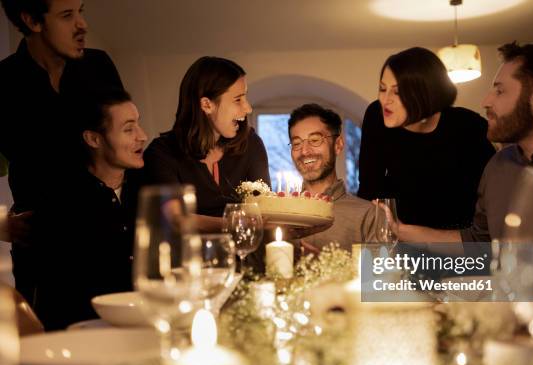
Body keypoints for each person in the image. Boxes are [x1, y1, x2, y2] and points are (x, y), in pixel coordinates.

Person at [393, 42, 533, 244]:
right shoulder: (498, 165)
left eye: (500, 91)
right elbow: (477, 242)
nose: (486, 101)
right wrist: (399, 230)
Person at [0, 0, 123, 304]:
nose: (82, 24)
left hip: (112, 243)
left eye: (81, 11)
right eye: (67, 15)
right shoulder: (3, 83)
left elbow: (124, 138)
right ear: (31, 19)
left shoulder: (100, 67)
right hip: (45, 257)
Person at [33, 88, 147, 330]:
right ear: (94, 139)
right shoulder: (60, 201)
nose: (142, 136)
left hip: (145, 324)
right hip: (84, 334)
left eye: (138, 125)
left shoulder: (147, 189)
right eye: (129, 129)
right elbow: (57, 297)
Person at [357, 47, 495, 230]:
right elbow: (369, 188)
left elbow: (491, 195)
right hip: (401, 237)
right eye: (382, 89)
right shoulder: (376, 115)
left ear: (426, 93)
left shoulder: (468, 126)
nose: (385, 100)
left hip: (458, 241)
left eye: (397, 92)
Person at [144, 56, 270, 231]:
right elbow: (175, 218)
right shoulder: (162, 153)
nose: (248, 108)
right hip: (189, 257)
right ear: (206, 104)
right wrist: (237, 223)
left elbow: (265, 210)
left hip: (246, 255)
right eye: (238, 99)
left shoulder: (251, 144)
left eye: (245, 97)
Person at [288, 103, 377, 251]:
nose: (304, 151)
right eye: (296, 143)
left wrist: (326, 265)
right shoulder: (279, 215)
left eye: (315, 140)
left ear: (338, 145)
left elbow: (382, 273)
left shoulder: (368, 215)